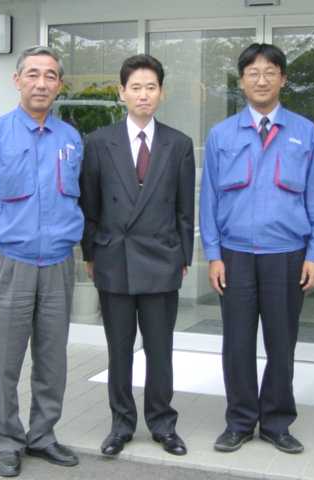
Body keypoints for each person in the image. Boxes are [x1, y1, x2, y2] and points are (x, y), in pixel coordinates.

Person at [200, 43, 314, 455]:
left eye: (270, 72)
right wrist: (213, 254)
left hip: (287, 255)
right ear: (241, 81)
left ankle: (276, 422)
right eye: (252, 73)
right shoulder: (222, 135)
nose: (261, 79)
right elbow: (208, 200)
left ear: (283, 79)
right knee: (237, 343)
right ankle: (239, 422)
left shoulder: (305, 132)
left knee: (281, 343)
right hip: (235, 255)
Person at [0, 46, 82, 477]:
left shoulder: (71, 139)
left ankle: (43, 435)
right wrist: (3, 238)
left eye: (50, 75)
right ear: (17, 81)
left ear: (59, 85)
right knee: (5, 359)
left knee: (52, 358)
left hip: (58, 264)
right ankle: (6, 440)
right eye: (32, 74)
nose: (41, 83)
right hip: (10, 262)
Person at [80, 54, 195, 457]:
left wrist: (184, 255)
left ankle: (163, 424)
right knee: (119, 350)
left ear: (161, 93)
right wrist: (90, 253)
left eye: (151, 87)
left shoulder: (179, 144)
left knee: (160, 351)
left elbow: (185, 209)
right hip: (115, 260)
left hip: (162, 260)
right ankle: (121, 424)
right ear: (121, 92)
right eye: (136, 87)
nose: (143, 95)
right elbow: (89, 205)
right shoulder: (98, 142)